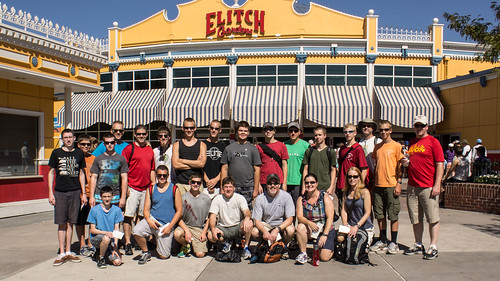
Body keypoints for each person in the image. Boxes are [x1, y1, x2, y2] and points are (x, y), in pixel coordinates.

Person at [402, 115, 444, 260]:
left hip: (428, 186)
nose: (419, 128)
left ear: (427, 127)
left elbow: (440, 163)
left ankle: (433, 246)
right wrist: (406, 163)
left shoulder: (433, 142)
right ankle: (418, 243)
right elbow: (412, 160)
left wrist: (437, 184)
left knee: (432, 217)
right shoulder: (412, 142)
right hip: (413, 185)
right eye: (416, 126)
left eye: (422, 126)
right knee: (415, 217)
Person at [48, 128, 87, 266]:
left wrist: (84, 194)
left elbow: (81, 173)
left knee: (71, 222)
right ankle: (62, 252)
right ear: (62, 139)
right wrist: (50, 193)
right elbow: (51, 172)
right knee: (61, 222)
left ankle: (69, 251)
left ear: (74, 138)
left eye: (70, 137)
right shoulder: (56, 153)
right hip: (60, 192)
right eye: (66, 137)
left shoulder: (79, 153)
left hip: (75, 191)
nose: (68, 139)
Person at [133, 165, 182, 264]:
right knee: (137, 231)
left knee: (164, 256)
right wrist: (149, 220)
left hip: (166, 225)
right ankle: (145, 251)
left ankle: (160, 242)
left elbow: (179, 211)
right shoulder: (151, 189)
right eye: (159, 175)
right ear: (155, 175)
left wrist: (170, 226)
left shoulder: (174, 189)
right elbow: (146, 210)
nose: (162, 178)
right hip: (153, 220)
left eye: (164, 175)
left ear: (168, 175)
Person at [369, 121, 404, 255]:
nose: (383, 132)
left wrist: (399, 183)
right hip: (378, 185)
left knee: (393, 214)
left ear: (391, 130)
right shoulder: (377, 147)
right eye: (381, 130)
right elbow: (376, 165)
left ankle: (393, 242)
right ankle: (383, 239)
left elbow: (400, 167)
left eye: (386, 130)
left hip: (391, 185)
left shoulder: (396, 146)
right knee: (379, 214)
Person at [121, 124, 156, 256]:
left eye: (144, 134)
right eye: (139, 134)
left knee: (142, 216)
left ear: (147, 135)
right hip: (132, 187)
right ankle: (128, 242)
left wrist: (152, 186)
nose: (141, 136)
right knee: (128, 216)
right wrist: (126, 188)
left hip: (145, 188)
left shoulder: (149, 150)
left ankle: (138, 240)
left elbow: (152, 169)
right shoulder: (129, 149)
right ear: (134, 134)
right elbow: (123, 170)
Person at [208, 177, 253, 259]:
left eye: (230, 187)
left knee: (249, 223)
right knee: (210, 235)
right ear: (222, 188)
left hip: (237, 227)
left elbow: (247, 211)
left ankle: (246, 248)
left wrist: (246, 218)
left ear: (234, 188)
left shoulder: (239, 198)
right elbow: (212, 216)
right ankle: (225, 243)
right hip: (223, 228)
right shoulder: (217, 199)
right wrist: (213, 228)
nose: (228, 189)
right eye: (226, 187)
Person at [252, 174, 295, 259]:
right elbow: (257, 220)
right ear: (266, 185)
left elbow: (290, 219)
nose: (273, 186)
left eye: (275, 183)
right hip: (267, 225)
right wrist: (264, 231)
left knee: (291, 230)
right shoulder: (260, 198)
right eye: (270, 183)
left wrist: (277, 229)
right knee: (254, 231)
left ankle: (283, 246)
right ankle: (267, 246)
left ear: (279, 185)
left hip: (280, 226)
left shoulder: (286, 197)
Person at [295, 174, 336, 264]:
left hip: (325, 229)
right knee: (300, 227)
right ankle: (303, 253)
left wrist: (324, 235)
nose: (310, 185)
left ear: (317, 184)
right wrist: (309, 223)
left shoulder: (324, 197)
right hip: (312, 229)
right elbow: (299, 217)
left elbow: (330, 218)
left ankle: (333, 248)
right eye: (307, 183)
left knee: (324, 257)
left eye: (312, 182)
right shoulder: (301, 199)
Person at [220, 121, 261, 207]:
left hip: (248, 187)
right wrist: (222, 187)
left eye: (245, 131)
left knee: (246, 213)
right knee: (232, 212)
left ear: (248, 133)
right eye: (241, 130)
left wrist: (256, 189)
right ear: (236, 132)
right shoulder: (229, 148)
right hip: (231, 186)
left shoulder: (253, 149)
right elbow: (224, 169)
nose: (243, 133)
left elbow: (257, 170)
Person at [174, 173, 212, 258]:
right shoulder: (183, 198)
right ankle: (185, 245)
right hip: (186, 226)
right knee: (177, 234)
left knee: (200, 254)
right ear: (189, 183)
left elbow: (209, 218)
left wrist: (204, 232)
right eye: (193, 182)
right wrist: (186, 231)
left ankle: (204, 244)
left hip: (199, 228)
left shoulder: (206, 199)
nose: (196, 184)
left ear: (201, 184)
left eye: (198, 183)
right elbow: (178, 218)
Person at [87, 186, 124, 268]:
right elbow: (92, 230)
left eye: (109, 196)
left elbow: (116, 229)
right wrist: (106, 233)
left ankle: (100, 252)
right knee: (106, 238)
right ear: (100, 197)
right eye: (104, 197)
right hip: (97, 238)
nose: (107, 199)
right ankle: (101, 258)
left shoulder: (117, 210)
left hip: (110, 239)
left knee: (117, 262)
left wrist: (115, 247)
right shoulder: (94, 210)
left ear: (112, 196)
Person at [89, 133, 128, 208]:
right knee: (100, 218)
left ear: (115, 143)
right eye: (107, 143)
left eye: (112, 142)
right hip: (99, 195)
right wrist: (91, 197)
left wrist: (123, 197)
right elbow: (93, 177)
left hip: (115, 195)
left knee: (114, 218)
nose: (109, 145)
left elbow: (124, 178)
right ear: (104, 144)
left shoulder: (121, 159)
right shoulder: (98, 159)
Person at [336, 123, 368, 214]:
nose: (348, 134)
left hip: (353, 184)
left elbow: (364, 169)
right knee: (343, 210)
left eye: (350, 132)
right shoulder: (342, 149)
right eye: (345, 132)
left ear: (355, 133)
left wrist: (360, 184)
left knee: (354, 211)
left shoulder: (358, 148)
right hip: (342, 184)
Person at [172, 118, 207, 195]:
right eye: (186, 128)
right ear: (183, 128)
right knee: (180, 207)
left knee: (197, 207)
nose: (189, 130)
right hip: (180, 184)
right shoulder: (177, 145)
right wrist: (195, 164)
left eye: (191, 128)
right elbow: (175, 165)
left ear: (195, 128)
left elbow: (201, 164)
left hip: (196, 184)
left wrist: (182, 160)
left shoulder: (202, 145)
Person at [75, 134, 96, 257]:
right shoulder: (75, 157)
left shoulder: (94, 158)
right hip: (78, 194)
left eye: (88, 144)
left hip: (91, 194)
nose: (86, 146)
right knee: (80, 221)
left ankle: (90, 243)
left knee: (91, 220)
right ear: (78, 145)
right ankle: (82, 244)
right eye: (83, 144)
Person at [341, 167, 373, 246]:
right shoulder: (346, 191)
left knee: (357, 246)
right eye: (349, 176)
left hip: (364, 227)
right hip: (350, 225)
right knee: (340, 238)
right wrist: (345, 225)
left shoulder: (365, 192)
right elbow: (344, 210)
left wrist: (357, 226)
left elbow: (367, 212)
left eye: (355, 176)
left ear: (359, 178)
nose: (352, 179)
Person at [256, 122, 289, 197]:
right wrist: (258, 184)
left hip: (278, 181)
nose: (268, 131)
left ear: (274, 131)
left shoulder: (282, 146)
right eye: (266, 129)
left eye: (270, 129)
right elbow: (257, 167)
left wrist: (284, 183)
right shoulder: (259, 147)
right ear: (263, 132)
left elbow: (284, 165)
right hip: (264, 181)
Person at [301, 126, 337, 196]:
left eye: (320, 135)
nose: (318, 137)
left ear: (325, 136)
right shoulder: (309, 151)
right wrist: (304, 186)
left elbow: (333, 170)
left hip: (325, 187)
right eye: (316, 135)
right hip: (311, 186)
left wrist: (331, 187)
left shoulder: (330, 151)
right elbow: (305, 169)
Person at [284, 121, 310, 204]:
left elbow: (308, 166)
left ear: (299, 132)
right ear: (288, 132)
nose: (293, 133)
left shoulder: (306, 145)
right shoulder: (284, 145)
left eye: (295, 131)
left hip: (298, 182)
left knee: (297, 207)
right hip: (286, 182)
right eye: (291, 131)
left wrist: (305, 184)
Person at [202, 120, 226, 199]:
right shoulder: (202, 144)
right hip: (204, 185)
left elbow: (224, 167)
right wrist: (207, 181)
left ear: (220, 130)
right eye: (212, 128)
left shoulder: (223, 146)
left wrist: (215, 180)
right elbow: (199, 165)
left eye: (216, 128)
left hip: (218, 187)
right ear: (209, 128)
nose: (213, 130)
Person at [357, 118, 382, 188]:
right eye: (364, 126)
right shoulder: (358, 142)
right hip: (362, 176)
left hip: (374, 177)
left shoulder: (378, 142)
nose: (366, 128)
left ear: (373, 128)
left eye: (368, 126)